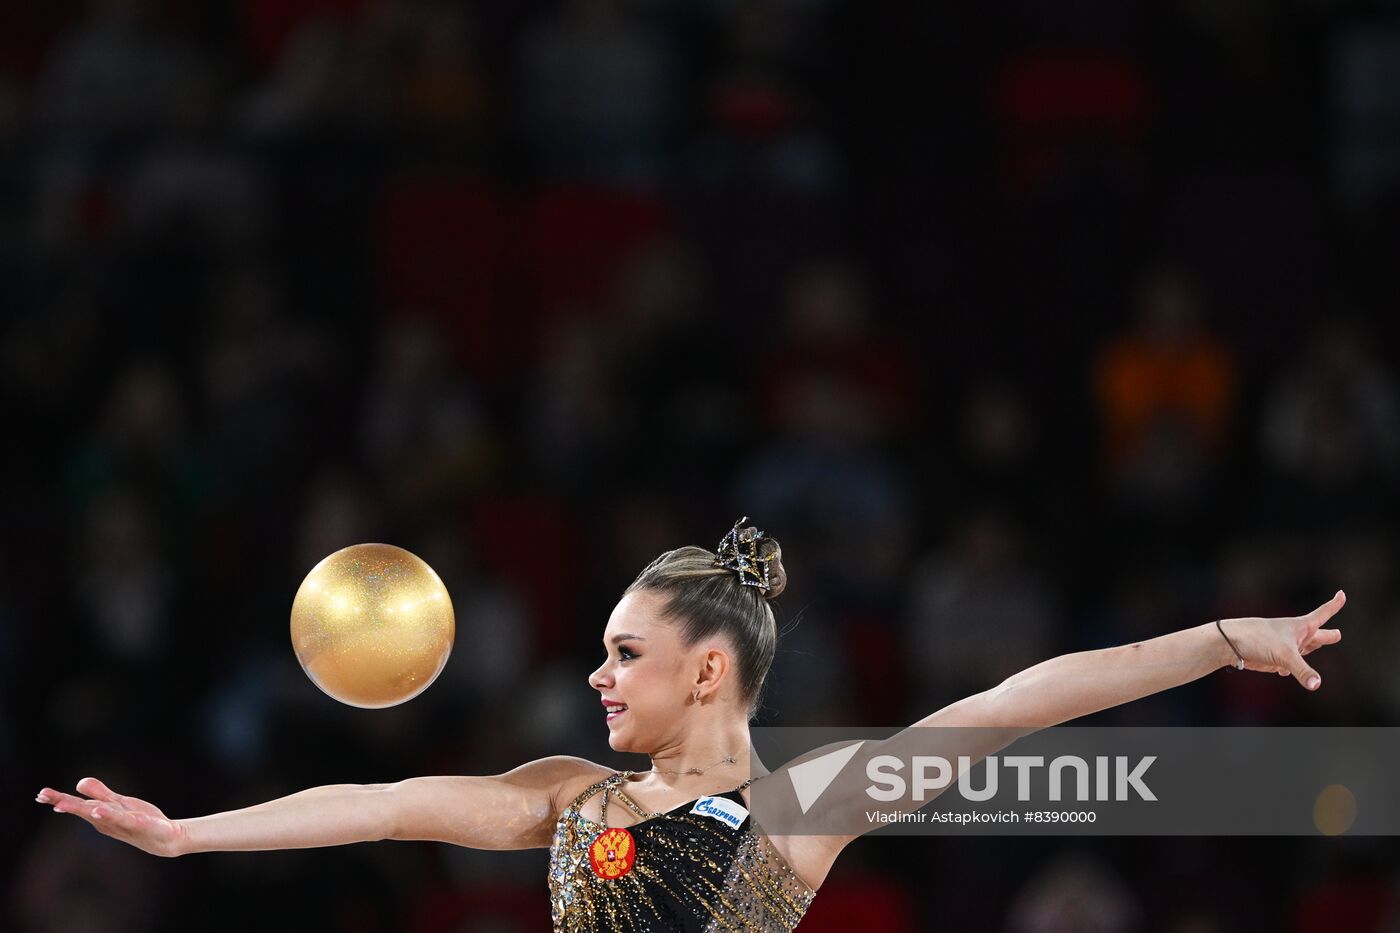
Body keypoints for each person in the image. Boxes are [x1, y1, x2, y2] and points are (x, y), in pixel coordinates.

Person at [36, 518, 1346, 932]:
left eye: (623, 654)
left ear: (709, 670)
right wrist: (185, 833)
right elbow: (374, 805)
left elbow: (1023, 699)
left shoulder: (797, 812)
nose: (597, 677)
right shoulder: (566, 794)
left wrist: (1232, 639)